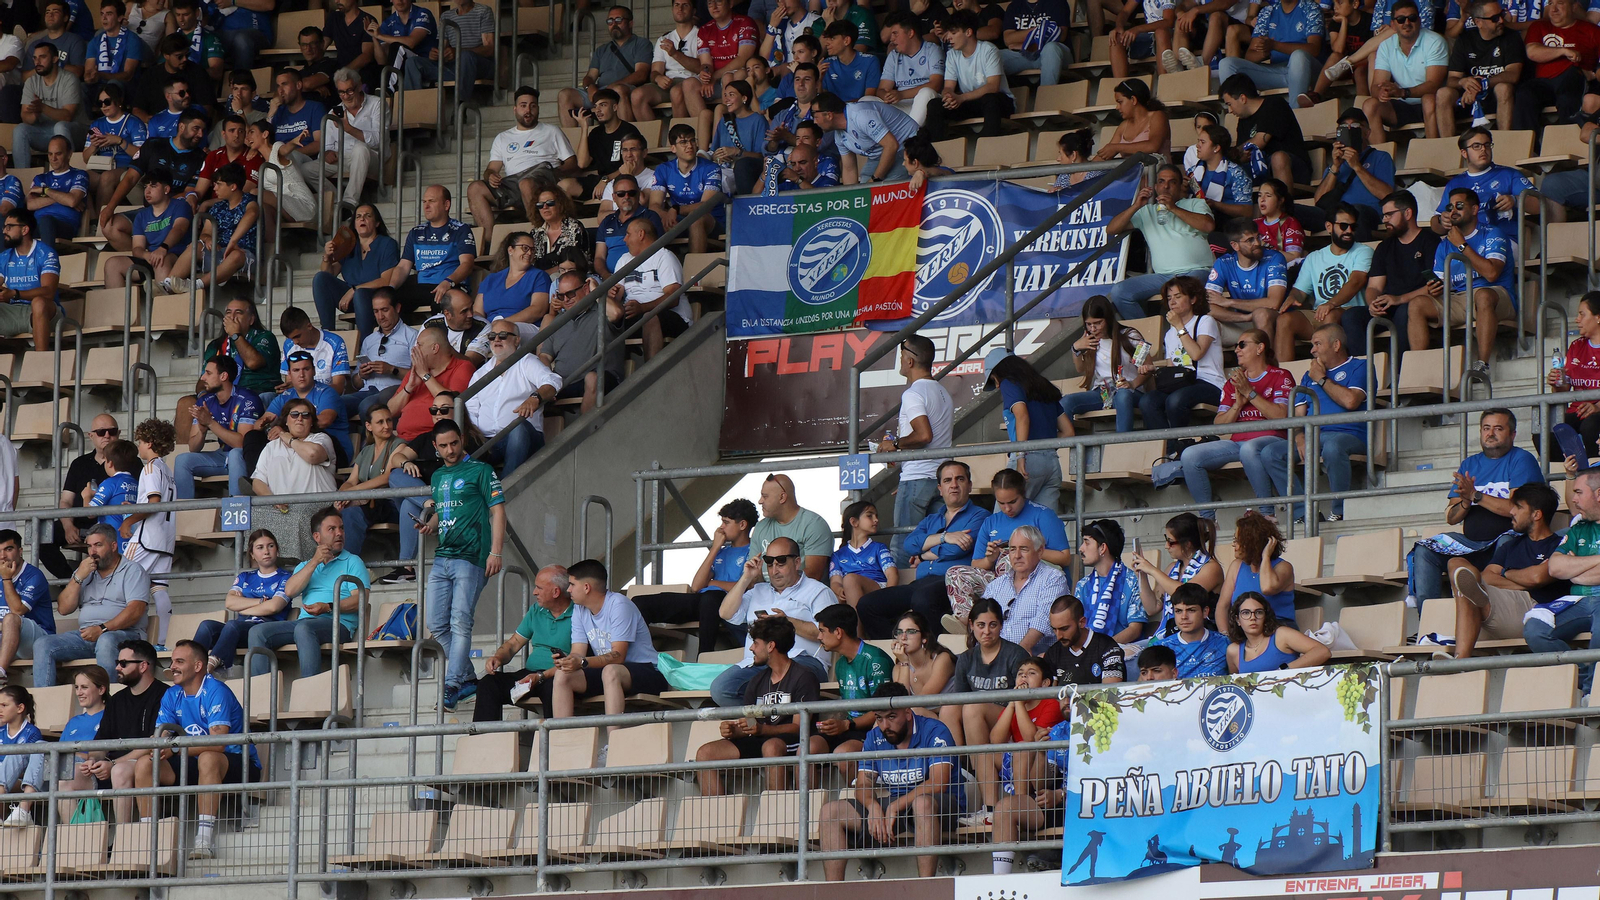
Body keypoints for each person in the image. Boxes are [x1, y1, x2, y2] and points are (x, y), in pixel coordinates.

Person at [820, 682, 963, 881]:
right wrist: (872, 807)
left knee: (922, 803)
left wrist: (895, 806)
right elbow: (862, 785)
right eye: (879, 718)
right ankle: (831, 893)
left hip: (943, 804)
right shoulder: (874, 737)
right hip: (897, 806)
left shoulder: (935, 730)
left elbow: (939, 782)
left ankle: (926, 888)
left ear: (907, 712)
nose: (884, 726)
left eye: (891, 717)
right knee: (830, 812)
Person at [1407, 409, 1544, 605]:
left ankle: (1500, 610)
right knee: (1424, 549)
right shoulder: (1469, 463)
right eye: (1486, 428)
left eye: (1498, 428)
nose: (1490, 433)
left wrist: (1476, 495)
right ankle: (1429, 620)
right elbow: (1452, 517)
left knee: (1507, 540)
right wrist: (1465, 501)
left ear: (1512, 434)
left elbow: (1517, 510)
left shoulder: (1522, 459)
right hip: (1471, 545)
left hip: (1509, 540)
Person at [140, 640, 260, 859]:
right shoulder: (171, 694)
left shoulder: (216, 690)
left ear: (197, 666)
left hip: (238, 762)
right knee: (145, 764)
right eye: (172, 661)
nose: (172, 666)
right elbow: (161, 736)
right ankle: (146, 842)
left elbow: (218, 743)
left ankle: (203, 841)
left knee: (208, 757)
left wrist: (174, 750)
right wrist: (157, 747)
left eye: (179, 661)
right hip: (192, 760)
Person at [415, 419, 505, 709]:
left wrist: (496, 552)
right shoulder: (438, 476)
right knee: (437, 624)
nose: (450, 450)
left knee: (460, 621)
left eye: (454, 443)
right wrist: (431, 524)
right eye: (443, 446)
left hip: (472, 556)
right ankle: (467, 679)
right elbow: (445, 507)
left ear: (462, 439)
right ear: (435, 447)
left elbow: (498, 511)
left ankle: (452, 683)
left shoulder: (481, 470)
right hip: (444, 555)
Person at [859, 461, 988, 639]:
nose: (954, 485)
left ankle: (934, 654)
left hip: (952, 583)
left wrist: (923, 553)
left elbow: (955, 551)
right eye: (948, 480)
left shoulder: (980, 515)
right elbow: (909, 544)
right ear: (940, 488)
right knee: (868, 604)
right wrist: (945, 537)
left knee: (922, 599)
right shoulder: (931, 520)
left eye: (960, 479)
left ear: (969, 485)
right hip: (920, 583)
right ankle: (898, 650)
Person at [695, 615, 821, 795]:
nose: (752, 648)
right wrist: (734, 730)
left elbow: (800, 727)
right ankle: (716, 818)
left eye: (755, 643)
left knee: (771, 747)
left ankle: (776, 815)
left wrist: (763, 731)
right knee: (705, 754)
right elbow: (752, 723)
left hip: (793, 741)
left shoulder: (803, 676)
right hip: (762, 739)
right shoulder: (756, 680)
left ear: (771, 646)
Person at [1178, 328, 1293, 520]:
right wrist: (1238, 405)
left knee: (1249, 449)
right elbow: (1219, 425)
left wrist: (1251, 393)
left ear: (1260, 348)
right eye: (1236, 346)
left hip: (1271, 439)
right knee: (1190, 455)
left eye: (1242, 345)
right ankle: (1207, 522)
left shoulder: (1281, 375)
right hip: (1237, 442)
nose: (1237, 350)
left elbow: (1281, 416)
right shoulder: (1234, 381)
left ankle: (1267, 515)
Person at [547, 559, 670, 732]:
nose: (568, 590)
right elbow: (578, 652)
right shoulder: (579, 609)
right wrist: (568, 661)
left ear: (587, 587)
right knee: (563, 675)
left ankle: (613, 745)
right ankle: (564, 744)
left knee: (611, 670)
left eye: (572, 584)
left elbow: (618, 656)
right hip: (613, 673)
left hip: (649, 670)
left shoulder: (619, 604)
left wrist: (581, 662)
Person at [710, 537, 835, 706]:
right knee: (721, 688)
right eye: (769, 563)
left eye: (781, 562)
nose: (774, 570)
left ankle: (776, 725)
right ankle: (763, 725)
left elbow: (830, 633)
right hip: (759, 663)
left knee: (779, 682)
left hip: (802, 660)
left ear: (797, 562)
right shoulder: (758, 590)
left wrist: (787, 622)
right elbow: (725, 613)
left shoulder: (818, 591)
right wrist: (746, 578)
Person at [1263, 323, 1370, 521]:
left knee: (1333, 446)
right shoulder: (1307, 376)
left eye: (1317, 344)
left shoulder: (1360, 366)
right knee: (1271, 453)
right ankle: (1304, 514)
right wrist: (1300, 436)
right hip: (1314, 435)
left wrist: (1321, 379)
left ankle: (1339, 511)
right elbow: (1298, 415)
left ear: (1336, 345)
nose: (1312, 350)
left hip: (1350, 434)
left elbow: (1350, 401)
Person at [246, 507, 368, 678]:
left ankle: (310, 691)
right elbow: (289, 590)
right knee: (257, 632)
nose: (339, 533)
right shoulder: (305, 566)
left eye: (341, 528)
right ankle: (261, 695)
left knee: (304, 628)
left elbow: (360, 601)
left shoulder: (353, 561)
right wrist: (315, 561)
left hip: (339, 625)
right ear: (316, 537)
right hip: (305, 624)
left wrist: (328, 607)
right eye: (332, 529)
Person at [1450, 482, 1565, 657]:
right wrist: (1522, 581)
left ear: (1536, 514)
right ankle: (1460, 658)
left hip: (1533, 610)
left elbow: (1537, 578)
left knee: (1469, 589)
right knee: (1456, 563)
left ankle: (1460, 659)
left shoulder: (1559, 545)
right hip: (1502, 605)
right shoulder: (1510, 546)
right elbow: (1488, 576)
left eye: (1518, 507)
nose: (1511, 512)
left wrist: (1505, 573)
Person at [1415, 187, 1518, 374]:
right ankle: (1419, 371)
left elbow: (1492, 274)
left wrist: (1462, 245)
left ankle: (1482, 365)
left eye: (1459, 206)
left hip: (1496, 294)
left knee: (1483, 296)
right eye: (1450, 207)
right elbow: (1441, 282)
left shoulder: (1492, 233)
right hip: (1460, 298)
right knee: (1417, 305)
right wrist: (1433, 289)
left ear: (1474, 209)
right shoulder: (1445, 244)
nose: (1453, 211)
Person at [32, 523, 149, 687]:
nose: (92, 552)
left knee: (106, 641)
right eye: (89, 546)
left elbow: (135, 611)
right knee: (43, 644)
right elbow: (64, 609)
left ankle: (108, 704)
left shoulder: (132, 570)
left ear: (114, 546)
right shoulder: (85, 571)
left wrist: (102, 629)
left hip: (124, 635)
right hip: (87, 636)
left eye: (98, 545)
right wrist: (78, 577)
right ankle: (45, 705)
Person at [941, 598, 1026, 821]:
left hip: (1010, 721)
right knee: (949, 709)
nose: (986, 631)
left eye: (993, 625)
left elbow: (1024, 700)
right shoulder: (966, 658)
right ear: (971, 625)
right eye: (980, 625)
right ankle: (962, 769)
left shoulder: (1015, 654)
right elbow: (958, 700)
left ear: (1001, 625)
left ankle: (989, 807)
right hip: (976, 725)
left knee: (972, 707)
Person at [630, 499, 755, 650]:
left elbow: (745, 585)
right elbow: (696, 586)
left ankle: (703, 657)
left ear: (742, 525)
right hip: (703, 602)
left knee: (711, 599)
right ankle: (639, 654)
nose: (721, 527)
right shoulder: (721, 551)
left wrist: (712, 583)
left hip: (727, 604)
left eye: (726, 522)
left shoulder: (752, 550)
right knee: (641, 602)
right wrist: (715, 547)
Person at [1104, 164, 1215, 320]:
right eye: (1161, 181)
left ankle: (1183, 333)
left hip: (1197, 271)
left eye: (1172, 182)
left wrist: (1172, 208)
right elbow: (1111, 229)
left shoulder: (1195, 204)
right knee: (1120, 292)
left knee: (1182, 289)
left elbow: (1208, 225)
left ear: (1180, 185)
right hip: (1164, 276)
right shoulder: (1147, 211)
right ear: (1155, 186)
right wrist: (1136, 205)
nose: (1166, 186)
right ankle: (1145, 338)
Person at [467, 88, 581, 234]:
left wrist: (555, 172)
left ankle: (540, 235)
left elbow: (572, 162)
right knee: (474, 188)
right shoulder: (502, 137)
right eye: (523, 105)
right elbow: (491, 169)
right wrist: (490, 175)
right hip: (512, 183)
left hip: (543, 177)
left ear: (538, 109)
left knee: (526, 183)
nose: (528, 110)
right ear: (515, 109)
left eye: (532, 106)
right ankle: (488, 242)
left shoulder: (552, 131)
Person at [1136, 276, 1226, 452]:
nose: (1172, 302)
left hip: (1209, 382)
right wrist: (1154, 368)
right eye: (1169, 298)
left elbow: (1197, 353)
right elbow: (1174, 366)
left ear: (1193, 299)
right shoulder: (1170, 333)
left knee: (1175, 400)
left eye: (1178, 296)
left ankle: (1182, 449)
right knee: (1148, 401)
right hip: (1183, 383)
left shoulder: (1205, 321)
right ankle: (1170, 449)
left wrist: (1179, 327)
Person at [1274, 204, 1374, 361]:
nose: (1349, 231)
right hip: (1320, 313)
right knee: (1284, 320)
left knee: (1329, 316)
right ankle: (1285, 379)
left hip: (1348, 311)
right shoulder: (1314, 257)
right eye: (1343, 226)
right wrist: (1292, 298)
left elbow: (1356, 281)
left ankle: (1326, 372)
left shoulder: (1363, 251)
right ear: (1329, 226)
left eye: (1353, 227)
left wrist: (1331, 303)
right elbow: (1300, 291)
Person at [473, 565, 573, 721]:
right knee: (488, 683)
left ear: (556, 592)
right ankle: (484, 742)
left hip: (557, 676)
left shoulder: (579, 613)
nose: (534, 592)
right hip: (529, 674)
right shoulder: (536, 610)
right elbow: (513, 644)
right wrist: (498, 657)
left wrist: (541, 676)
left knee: (555, 688)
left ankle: (554, 743)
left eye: (539, 588)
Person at [887, 335, 954, 562]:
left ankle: (902, 597)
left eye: (901, 355)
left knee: (904, 546)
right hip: (937, 479)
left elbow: (924, 435)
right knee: (933, 546)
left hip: (917, 479)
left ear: (910, 361)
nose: (900, 361)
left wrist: (895, 445)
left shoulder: (913, 393)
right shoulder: (943, 393)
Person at [463, 320, 560, 474]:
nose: (496, 339)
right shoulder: (481, 373)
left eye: (503, 335)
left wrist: (535, 397)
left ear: (517, 340)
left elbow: (553, 381)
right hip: (487, 441)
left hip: (524, 437)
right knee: (457, 438)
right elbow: (471, 409)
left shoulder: (527, 362)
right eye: (492, 336)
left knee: (517, 428)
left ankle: (507, 489)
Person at [248, 397, 338, 561]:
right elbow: (258, 481)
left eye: (306, 415)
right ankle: (260, 570)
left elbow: (312, 455)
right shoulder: (271, 447)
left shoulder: (321, 439)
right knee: (250, 514)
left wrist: (288, 437)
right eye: (294, 414)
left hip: (319, 507)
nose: (300, 418)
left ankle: (297, 564)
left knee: (299, 516)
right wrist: (273, 500)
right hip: (280, 507)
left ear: (312, 421)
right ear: (286, 421)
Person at [92, 639, 166, 826]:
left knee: (119, 771)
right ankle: (79, 846)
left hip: (147, 763)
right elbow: (100, 742)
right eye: (117, 662)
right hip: (114, 764)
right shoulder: (116, 700)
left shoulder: (165, 695)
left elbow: (154, 743)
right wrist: (93, 762)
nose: (117, 667)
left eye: (124, 663)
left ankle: (122, 840)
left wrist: (113, 763)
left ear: (143, 666)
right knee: (71, 777)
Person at [1537, 471, 1600, 691]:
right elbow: (1555, 567)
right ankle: (1583, 677)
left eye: (1579, 492)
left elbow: (1568, 569)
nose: (1573, 499)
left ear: (1598, 494)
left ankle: (1592, 693)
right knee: (1536, 628)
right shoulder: (1579, 528)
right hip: (1577, 601)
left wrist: (1575, 569)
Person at [194, 529, 289, 673]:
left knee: (233, 625)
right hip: (239, 630)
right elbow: (230, 603)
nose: (266, 551)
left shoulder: (285, 577)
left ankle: (211, 666)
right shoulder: (245, 576)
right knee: (207, 626)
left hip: (266, 629)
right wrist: (260, 602)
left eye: (270, 546)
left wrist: (242, 604)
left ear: (277, 550)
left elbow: (274, 607)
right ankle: (190, 664)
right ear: (252, 554)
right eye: (260, 547)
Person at [982, 350, 1067, 511]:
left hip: (1027, 459)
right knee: (1043, 528)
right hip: (1051, 462)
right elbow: (1068, 432)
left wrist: (1021, 455)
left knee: (1002, 523)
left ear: (1001, 371)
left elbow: (1022, 416)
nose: (998, 385)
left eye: (994, 379)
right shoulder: (1043, 386)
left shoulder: (1009, 383)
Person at [1431, 127, 1538, 247]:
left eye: (1487, 145)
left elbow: (1540, 205)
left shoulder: (1509, 174)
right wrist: (1441, 220)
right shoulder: (1455, 183)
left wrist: (1516, 200)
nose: (1483, 149)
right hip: (1467, 243)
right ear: (1464, 153)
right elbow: (1436, 225)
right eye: (1476, 146)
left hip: (1504, 240)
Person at [1059, 296, 1152, 435]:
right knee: (1066, 401)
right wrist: (1076, 349)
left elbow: (1148, 367)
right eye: (1088, 324)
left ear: (1108, 319)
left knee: (1122, 396)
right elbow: (1080, 369)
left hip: (1130, 390)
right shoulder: (1089, 340)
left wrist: (1132, 384)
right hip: (1103, 392)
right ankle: (1066, 448)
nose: (1093, 328)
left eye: (1098, 323)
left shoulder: (1130, 335)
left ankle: (1122, 444)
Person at [1366, 191, 1442, 359]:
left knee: (1404, 312)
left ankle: (1402, 374)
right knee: (1351, 317)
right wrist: (1373, 303)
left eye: (1389, 215)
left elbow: (1435, 285)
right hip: (1387, 306)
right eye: (1383, 215)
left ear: (1407, 213)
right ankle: (1366, 376)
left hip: (1416, 304)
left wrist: (1399, 299)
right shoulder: (1384, 246)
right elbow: (1373, 286)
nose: (1384, 220)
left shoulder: (1431, 241)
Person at [816, 603, 892, 771]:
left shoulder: (875, 660)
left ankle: (854, 797)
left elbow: (883, 709)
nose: (818, 637)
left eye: (822, 631)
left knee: (844, 754)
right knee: (807, 749)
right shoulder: (841, 664)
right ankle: (810, 798)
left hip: (875, 729)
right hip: (850, 727)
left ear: (838, 632)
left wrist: (847, 725)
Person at [41, 415, 118, 578]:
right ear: (91, 436)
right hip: (80, 524)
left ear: (118, 434)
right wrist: (68, 526)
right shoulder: (79, 464)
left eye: (112, 431)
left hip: (112, 526)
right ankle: (71, 582)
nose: (107, 436)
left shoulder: (128, 463)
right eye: (101, 432)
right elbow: (66, 500)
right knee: (42, 537)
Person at [1361, 0, 1448, 142]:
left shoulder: (1434, 41)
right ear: (1393, 25)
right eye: (1401, 20)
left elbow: (1433, 85)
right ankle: (1380, 159)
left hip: (1434, 103)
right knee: (1370, 104)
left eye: (1412, 18)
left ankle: (1434, 151)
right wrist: (1382, 92)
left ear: (1419, 21)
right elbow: (1376, 85)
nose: (1407, 23)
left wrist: (1403, 92)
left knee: (1428, 99)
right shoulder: (1385, 46)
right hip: (1403, 105)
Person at [1218, 0, 1324, 115]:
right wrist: (1265, 51)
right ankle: (1239, 115)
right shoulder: (1267, 12)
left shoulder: (1311, 8)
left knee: (1299, 56)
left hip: (1308, 71)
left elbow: (1314, 49)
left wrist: (1275, 46)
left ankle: (1296, 113)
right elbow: (1250, 56)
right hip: (1278, 72)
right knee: (1226, 64)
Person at [121, 419, 175, 644]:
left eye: (141, 442)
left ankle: (123, 637)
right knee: (158, 589)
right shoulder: (167, 469)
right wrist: (134, 508)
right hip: (166, 539)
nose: (139, 447)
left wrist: (128, 521)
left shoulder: (151, 467)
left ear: (150, 442)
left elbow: (154, 502)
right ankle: (162, 642)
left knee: (120, 579)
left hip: (147, 538)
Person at [175, 357, 259, 500]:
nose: (203, 378)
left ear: (223, 376)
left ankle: (236, 511)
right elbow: (193, 448)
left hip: (244, 457)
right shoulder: (205, 401)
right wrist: (201, 430)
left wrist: (210, 423)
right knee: (182, 460)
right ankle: (184, 514)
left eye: (208, 373)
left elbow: (243, 444)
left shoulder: (247, 399)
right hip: (221, 456)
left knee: (235, 454)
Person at [166, 163, 256, 297]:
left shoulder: (249, 201)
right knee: (195, 245)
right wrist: (207, 238)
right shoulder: (218, 207)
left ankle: (197, 285)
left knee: (236, 255)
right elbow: (205, 232)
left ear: (233, 186)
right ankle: (169, 284)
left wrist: (233, 242)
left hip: (243, 256)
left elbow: (252, 214)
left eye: (219, 184)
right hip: (218, 253)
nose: (214, 188)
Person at [249, 351, 351, 469]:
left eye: (306, 369)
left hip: (330, 451)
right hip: (294, 449)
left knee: (320, 434)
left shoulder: (327, 392)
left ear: (313, 371)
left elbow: (324, 421)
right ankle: (256, 478)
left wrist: (284, 430)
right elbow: (260, 423)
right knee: (253, 436)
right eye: (296, 370)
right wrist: (266, 426)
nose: (301, 375)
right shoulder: (285, 396)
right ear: (289, 374)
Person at [385, 185, 477, 315]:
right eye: (424, 202)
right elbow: (403, 267)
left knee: (442, 301)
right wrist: (391, 288)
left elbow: (467, 264)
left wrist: (448, 282)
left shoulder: (461, 230)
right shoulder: (416, 233)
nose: (426, 206)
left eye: (432, 201)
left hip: (452, 286)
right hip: (423, 287)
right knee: (391, 301)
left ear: (446, 205)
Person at [1438, 0, 1524, 137]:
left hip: (1496, 97)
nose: (1501, 21)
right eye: (1494, 18)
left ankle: (1505, 143)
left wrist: (1480, 84)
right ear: (1478, 22)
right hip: (1468, 99)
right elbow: (1452, 79)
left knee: (1504, 88)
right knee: (1443, 94)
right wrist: (1463, 82)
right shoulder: (1465, 40)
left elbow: (1513, 74)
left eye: (1501, 14)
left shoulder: (1511, 37)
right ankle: (1449, 152)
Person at [314, 204, 400, 337]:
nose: (362, 219)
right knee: (320, 278)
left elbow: (386, 280)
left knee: (360, 294)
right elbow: (328, 274)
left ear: (377, 223)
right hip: (351, 300)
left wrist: (354, 290)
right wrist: (327, 257)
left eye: (368, 216)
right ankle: (328, 334)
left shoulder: (387, 244)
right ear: (354, 224)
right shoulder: (348, 245)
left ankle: (364, 343)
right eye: (358, 216)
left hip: (376, 299)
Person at [606, 217, 685, 359]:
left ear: (641, 234)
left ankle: (650, 375)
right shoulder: (625, 259)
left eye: (628, 234)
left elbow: (673, 298)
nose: (625, 239)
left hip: (670, 316)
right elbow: (617, 295)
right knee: (604, 320)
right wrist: (612, 294)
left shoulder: (664, 257)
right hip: (635, 314)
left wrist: (643, 308)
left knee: (649, 317)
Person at [924, 9, 1009, 139]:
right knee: (935, 104)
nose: (949, 38)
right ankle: (936, 149)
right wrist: (949, 96)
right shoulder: (952, 54)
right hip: (970, 102)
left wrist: (961, 98)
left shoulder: (988, 50)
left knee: (990, 99)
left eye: (953, 33)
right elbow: (948, 86)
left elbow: (993, 87)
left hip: (998, 102)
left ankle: (987, 145)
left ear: (968, 32)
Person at [1308, 109, 1394, 238]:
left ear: (1367, 132)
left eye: (1355, 126)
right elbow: (1319, 201)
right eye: (1343, 127)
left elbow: (1387, 195)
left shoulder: (1380, 157)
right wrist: (1336, 166)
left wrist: (1357, 166)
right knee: (1293, 210)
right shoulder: (1336, 162)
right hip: (1335, 214)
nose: (1349, 129)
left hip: (1365, 212)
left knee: (1355, 212)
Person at [980, 526, 1066, 653]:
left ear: (1040, 551)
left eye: (1024, 549)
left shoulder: (1053, 578)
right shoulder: (996, 585)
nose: (1017, 556)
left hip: (1036, 655)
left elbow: (1044, 620)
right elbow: (982, 618)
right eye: (1013, 550)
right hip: (997, 656)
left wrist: (1019, 652)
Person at [1515, 0, 1600, 129]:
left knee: (1568, 93)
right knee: (1524, 94)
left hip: (1575, 80)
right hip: (1544, 82)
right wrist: (1563, 51)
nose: (1553, 9)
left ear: (1573, 7)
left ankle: (1567, 144)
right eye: (1550, 4)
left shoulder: (1591, 30)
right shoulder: (1539, 26)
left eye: (1560, 3)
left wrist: (1594, 74)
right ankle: (1528, 146)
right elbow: (1532, 52)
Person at [1206, 218, 1291, 346]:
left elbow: (1273, 303)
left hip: (1272, 319)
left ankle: (1266, 364)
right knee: (1205, 321)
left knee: (1261, 314)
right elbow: (1207, 306)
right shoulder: (1223, 263)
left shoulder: (1274, 258)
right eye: (1249, 240)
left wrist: (1229, 302)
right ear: (1235, 245)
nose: (1257, 243)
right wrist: (1244, 317)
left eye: (1258, 237)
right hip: (1241, 321)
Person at [1219, 74, 1311, 189]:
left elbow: (1258, 142)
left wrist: (1232, 154)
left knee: (1278, 158)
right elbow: (1243, 154)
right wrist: (1240, 157)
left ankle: (1284, 205)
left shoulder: (1274, 104)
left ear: (1242, 98)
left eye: (1229, 104)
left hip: (1293, 168)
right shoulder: (1243, 121)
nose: (1230, 110)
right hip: (1261, 169)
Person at [388, 325, 476, 444]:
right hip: (402, 440)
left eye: (419, 345)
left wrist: (425, 375)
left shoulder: (462, 367)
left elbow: (452, 403)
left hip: (435, 441)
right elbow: (390, 411)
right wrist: (409, 387)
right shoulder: (416, 371)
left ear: (435, 348)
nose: (415, 349)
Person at [649, 123, 724, 253]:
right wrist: (667, 216)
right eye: (683, 142)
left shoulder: (712, 168)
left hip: (712, 220)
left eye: (692, 140)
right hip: (679, 219)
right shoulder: (663, 169)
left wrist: (676, 210)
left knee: (696, 218)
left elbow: (706, 205)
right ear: (673, 148)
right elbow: (654, 205)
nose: (689, 146)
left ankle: (694, 270)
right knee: (649, 221)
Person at [105, 177, 189, 293]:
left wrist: (163, 248)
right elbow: (137, 248)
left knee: (161, 260)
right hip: (152, 259)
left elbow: (179, 229)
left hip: (177, 257)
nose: (147, 191)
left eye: (153, 186)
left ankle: (164, 306)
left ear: (166, 189)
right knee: (112, 264)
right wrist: (146, 255)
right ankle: (119, 310)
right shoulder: (142, 215)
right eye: (145, 187)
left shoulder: (180, 205)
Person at [344, 290, 416, 423]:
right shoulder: (369, 340)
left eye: (384, 310)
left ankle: (370, 442)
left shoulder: (412, 336)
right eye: (376, 311)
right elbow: (356, 383)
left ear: (397, 308)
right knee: (335, 405)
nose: (380, 316)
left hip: (393, 393)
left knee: (367, 406)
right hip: (366, 391)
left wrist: (392, 370)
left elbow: (419, 376)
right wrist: (361, 375)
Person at [335, 407, 399, 557]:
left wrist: (353, 492)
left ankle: (346, 566)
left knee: (351, 513)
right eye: (380, 422)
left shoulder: (399, 444)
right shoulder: (366, 450)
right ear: (369, 426)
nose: (387, 426)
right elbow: (351, 481)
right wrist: (342, 495)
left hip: (389, 505)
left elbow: (387, 477)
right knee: (329, 514)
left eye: (389, 420)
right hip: (369, 504)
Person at [318, 69, 383, 217]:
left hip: (371, 158)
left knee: (360, 149)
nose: (346, 96)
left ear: (359, 86)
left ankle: (349, 202)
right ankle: (336, 201)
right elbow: (326, 146)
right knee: (306, 169)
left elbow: (378, 141)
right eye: (341, 92)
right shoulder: (333, 113)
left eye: (350, 91)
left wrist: (349, 129)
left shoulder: (377, 104)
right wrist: (327, 153)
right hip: (342, 158)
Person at [749, 473, 833, 581]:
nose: (760, 501)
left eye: (765, 496)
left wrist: (776, 592)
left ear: (782, 497)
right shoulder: (761, 527)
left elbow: (813, 574)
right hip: (766, 595)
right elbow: (753, 577)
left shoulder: (813, 524)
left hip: (804, 596)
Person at [1216, 511, 1296, 624]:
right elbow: (1222, 606)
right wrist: (1225, 636)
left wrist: (1265, 556)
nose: (1234, 544)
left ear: (1252, 543)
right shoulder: (1236, 566)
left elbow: (1267, 588)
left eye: (1238, 541)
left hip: (1277, 630)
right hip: (1245, 631)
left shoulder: (1283, 567)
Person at [14, 43, 86, 168]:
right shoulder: (31, 81)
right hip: (46, 132)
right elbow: (25, 117)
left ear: (55, 59)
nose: (37, 61)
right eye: (35, 58)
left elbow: (67, 116)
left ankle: (70, 175)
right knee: (20, 130)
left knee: (61, 126)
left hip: (75, 131)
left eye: (42, 57)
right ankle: (22, 179)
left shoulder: (69, 79)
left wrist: (42, 108)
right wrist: (34, 114)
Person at [1073, 519, 1145, 643]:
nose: (1081, 549)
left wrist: (1105, 648)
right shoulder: (1082, 585)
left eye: (1087, 543)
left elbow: (1135, 629)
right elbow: (1076, 627)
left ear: (1102, 548)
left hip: (1122, 650)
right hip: (1088, 652)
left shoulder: (1132, 581)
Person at [82, 84, 146, 218]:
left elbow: (141, 155)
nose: (104, 106)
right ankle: (92, 220)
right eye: (100, 103)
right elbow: (86, 158)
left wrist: (119, 141)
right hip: (100, 167)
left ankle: (102, 221)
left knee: (107, 178)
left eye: (107, 102)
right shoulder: (97, 124)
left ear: (119, 101)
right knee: (80, 178)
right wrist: (94, 146)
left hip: (125, 167)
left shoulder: (133, 122)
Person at [0, 209, 59, 353]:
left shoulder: (46, 253)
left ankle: (41, 360)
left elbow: (48, 292)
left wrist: (15, 293)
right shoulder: (4, 256)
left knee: (38, 302)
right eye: (4, 227)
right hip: (13, 312)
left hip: (45, 312)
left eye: (9, 227)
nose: (4, 231)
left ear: (25, 229)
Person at [1227, 590, 1330, 672]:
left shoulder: (1281, 635)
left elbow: (1322, 652)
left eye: (1258, 612)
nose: (1252, 617)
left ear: (1265, 616)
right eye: (1246, 613)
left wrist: (1286, 670)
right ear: (1237, 620)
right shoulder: (1233, 651)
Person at [54, 667, 108, 823]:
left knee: (65, 779)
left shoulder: (110, 716)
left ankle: (72, 839)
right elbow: (60, 752)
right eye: (76, 687)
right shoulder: (74, 722)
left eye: (84, 687)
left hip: (92, 771)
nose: (79, 692)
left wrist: (79, 755)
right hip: (67, 770)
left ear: (101, 689)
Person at [632, 0, 701, 120]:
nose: (680, 9)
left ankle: (679, 136)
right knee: (637, 95)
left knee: (676, 92)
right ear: (672, 9)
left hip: (692, 82)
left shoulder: (701, 35)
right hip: (669, 82)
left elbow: (701, 67)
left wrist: (675, 53)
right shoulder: (664, 39)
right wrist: (658, 78)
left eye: (685, 5)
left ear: (694, 11)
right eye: (677, 5)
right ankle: (651, 137)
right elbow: (655, 72)